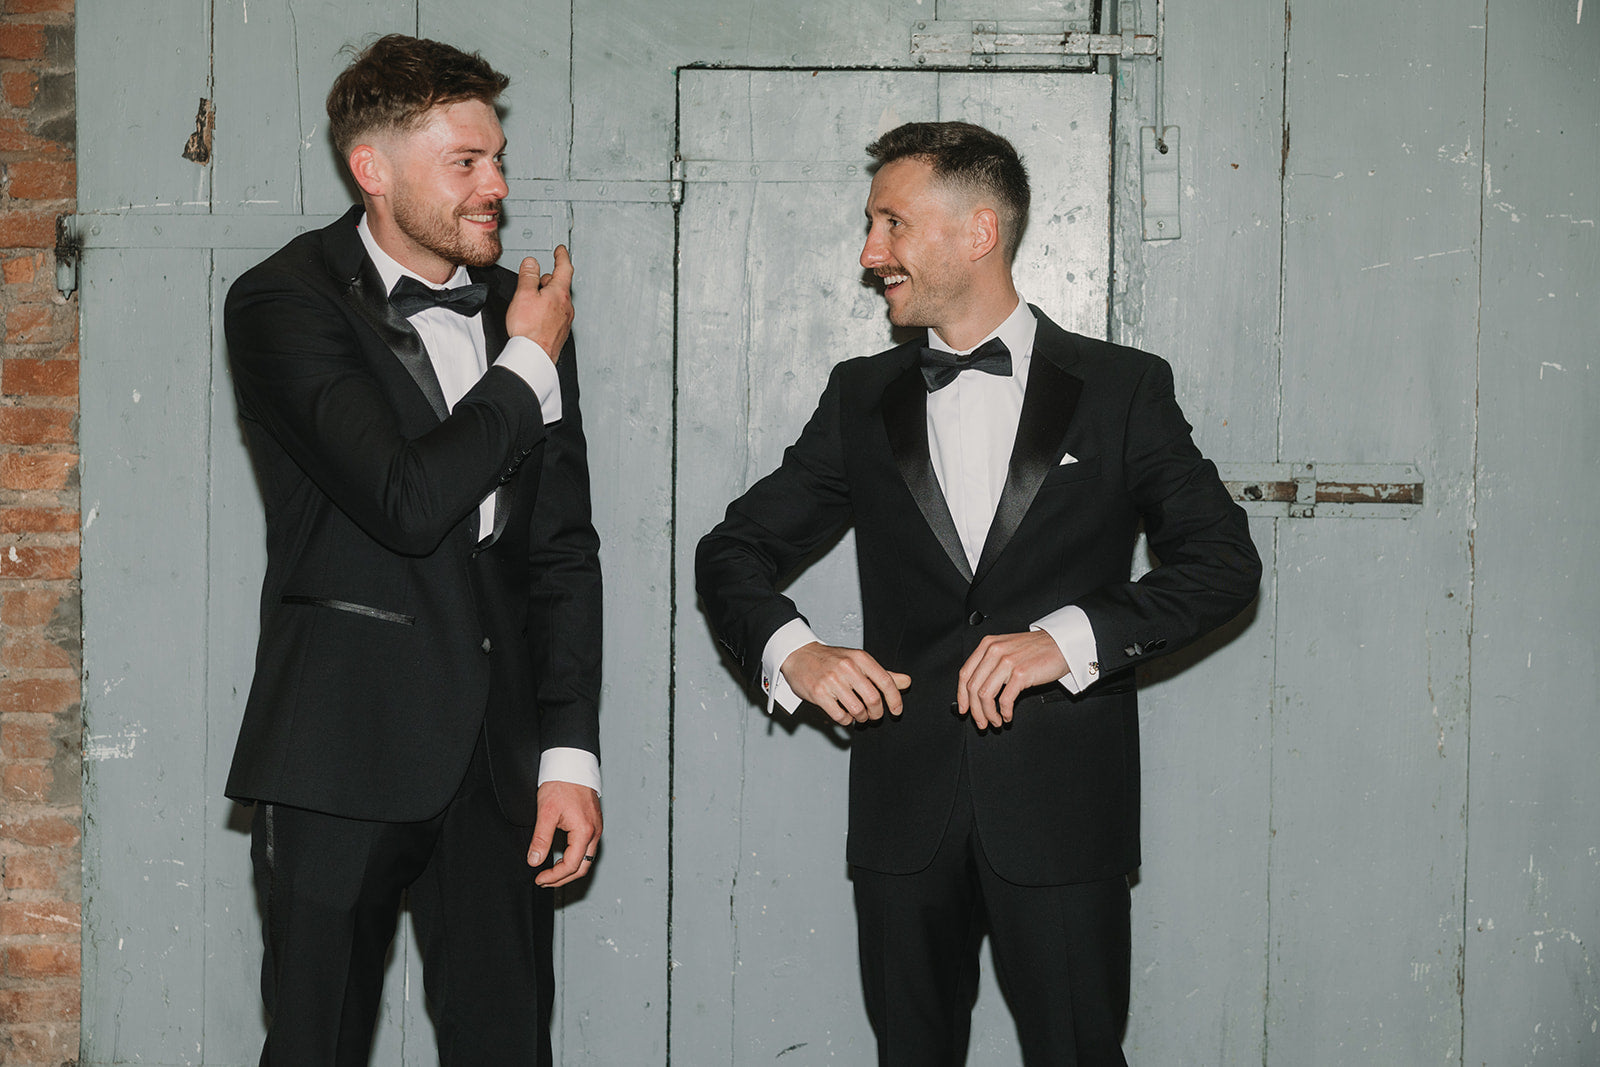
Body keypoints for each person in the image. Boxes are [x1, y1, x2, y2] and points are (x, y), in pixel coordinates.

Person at [695, 121, 1261, 1065]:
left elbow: (1221, 563)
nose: (870, 255)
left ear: (978, 232)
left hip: (1061, 813)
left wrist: (1071, 638)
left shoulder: (1122, 390)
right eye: (871, 227)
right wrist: (795, 650)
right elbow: (733, 551)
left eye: (891, 224)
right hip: (901, 815)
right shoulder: (859, 397)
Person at [223, 34, 602, 1066]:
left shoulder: (516, 315)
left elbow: (561, 550)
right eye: (465, 163)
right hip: (340, 741)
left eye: (497, 158)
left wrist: (568, 753)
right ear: (373, 170)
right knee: (318, 1042)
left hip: (500, 759)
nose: (496, 186)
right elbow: (402, 498)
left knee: (506, 1044)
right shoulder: (282, 302)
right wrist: (527, 362)